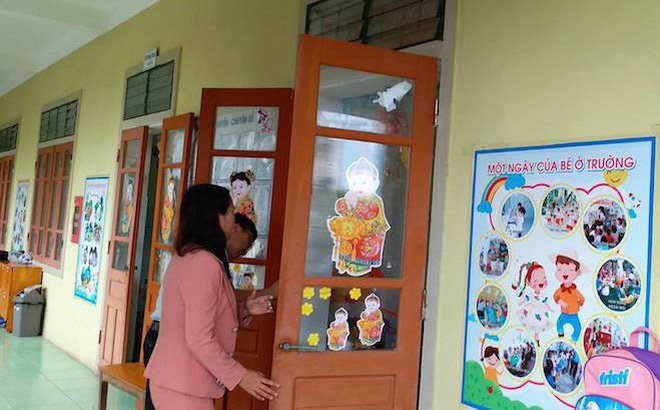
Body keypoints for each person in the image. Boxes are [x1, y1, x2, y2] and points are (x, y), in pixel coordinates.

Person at [144, 185, 279, 409]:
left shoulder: (189, 256)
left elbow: (199, 317)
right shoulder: (204, 264)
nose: (233, 221)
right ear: (215, 218)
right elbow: (199, 339)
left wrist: (245, 309)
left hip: (181, 382)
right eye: (230, 212)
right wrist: (242, 376)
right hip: (182, 384)